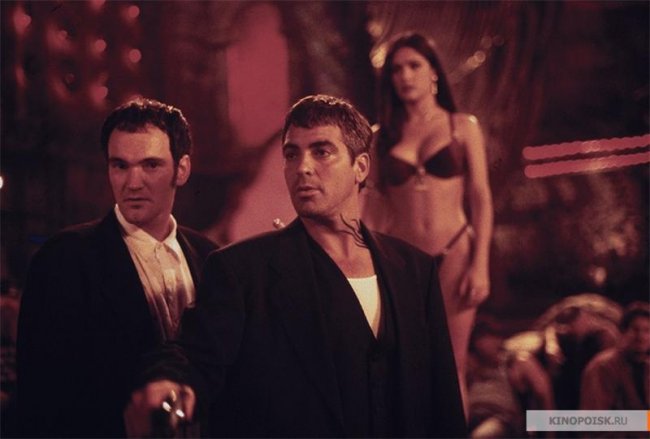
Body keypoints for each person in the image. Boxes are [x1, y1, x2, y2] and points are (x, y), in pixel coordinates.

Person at [124, 94, 466, 438]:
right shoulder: (242, 270)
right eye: (291, 154)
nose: (303, 167)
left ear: (360, 167)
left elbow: (444, 402)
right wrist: (170, 382)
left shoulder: (414, 270)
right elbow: (193, 355)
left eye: (321, 152)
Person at [16, 98, 218, 437]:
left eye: (150, 165)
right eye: (120, 166)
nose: (132, 182)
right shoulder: (64, 258)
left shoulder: (210, 257)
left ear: (181, 169)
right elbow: (42, 397)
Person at [361, 31, 494, 409]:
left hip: (455, 254)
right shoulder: (380, 137)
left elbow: (481, 198)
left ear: (433, 70)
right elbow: (368, 205)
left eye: (414, 65)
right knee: (405, 368)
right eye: (396, 69)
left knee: (452, 367)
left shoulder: (462, 126)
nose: (405, 76)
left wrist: (480, 265)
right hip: (401, 263)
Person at [580, 301, 649, 411]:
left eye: (647, 331)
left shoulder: (646, 366)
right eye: (635, 330)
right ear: (623, 332)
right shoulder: (603, 367)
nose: (641, 337)